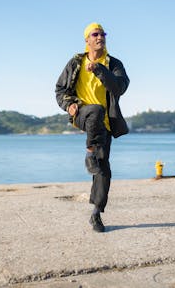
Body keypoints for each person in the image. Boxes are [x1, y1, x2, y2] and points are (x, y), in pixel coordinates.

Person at [55, 22, 130, 232]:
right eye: (95, 34)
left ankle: (96, 213)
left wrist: (99, 69)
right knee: (95, 109)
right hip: (81, 113)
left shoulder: (113, 64)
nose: (100, 37)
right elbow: (60, 89)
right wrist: (68, 105)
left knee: (103, 167)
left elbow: (119, 88)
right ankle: (90, 153)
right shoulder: (76, 62)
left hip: (104, 123)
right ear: (87, 40)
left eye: (103, 34)